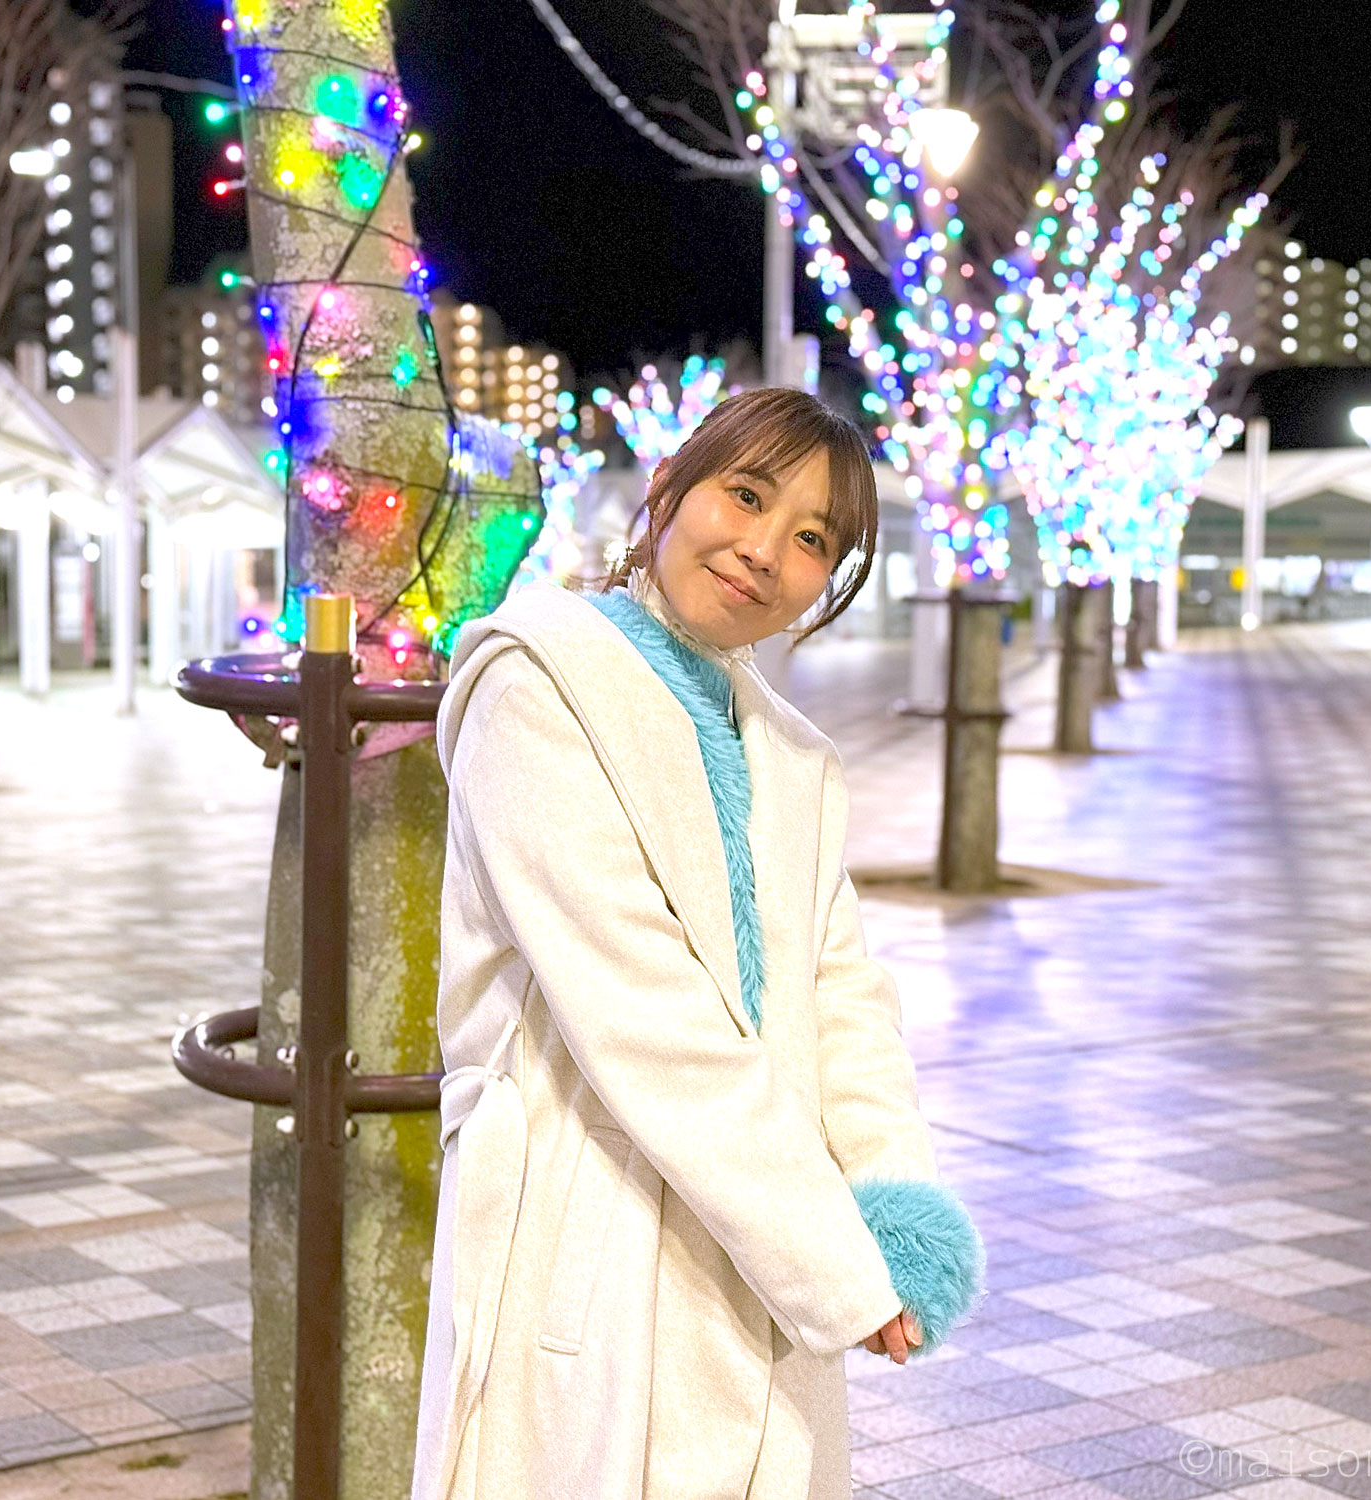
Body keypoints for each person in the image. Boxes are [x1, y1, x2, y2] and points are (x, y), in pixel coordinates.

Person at [412, 388, 982, 1500]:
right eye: (747, 496)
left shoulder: (792, 756)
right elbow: (642, 1015)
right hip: (591, 1222)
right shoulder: (537, 686)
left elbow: (842, 999)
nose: (765, 551)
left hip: (760, 1232)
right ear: (669, 487)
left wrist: (893, 1219)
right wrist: (830, 1258)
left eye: (812, 539)